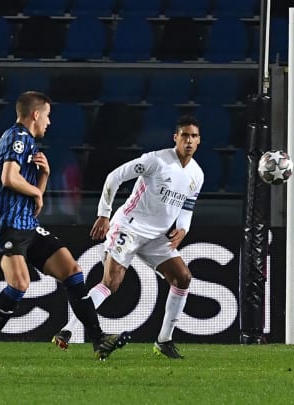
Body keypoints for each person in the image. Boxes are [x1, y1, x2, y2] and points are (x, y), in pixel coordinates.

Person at [0, 91, 130, 377]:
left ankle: (98, 340)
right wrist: (36, 189)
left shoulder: (29, 144)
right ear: (35, 114)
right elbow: (9, 178)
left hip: (27, 226)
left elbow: (34, 204)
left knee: (72, 270)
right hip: (6, 226)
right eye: (47, 115)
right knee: (19, 284)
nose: (49, 122)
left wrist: (42, 179)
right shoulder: (18, 137)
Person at [52, 115, 205, 359]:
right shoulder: (156, 160)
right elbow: (115, 176)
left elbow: (187, 207)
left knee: (183, 278)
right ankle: (68, 330)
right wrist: (104, 214)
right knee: (111, 282)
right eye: (184, 135)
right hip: (129, 227)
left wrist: (183, 229)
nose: (189, 140)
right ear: (175, 138)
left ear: (199, 141)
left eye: (193, 136)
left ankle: (164, 341)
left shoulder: (197, 174)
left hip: (157, 236)